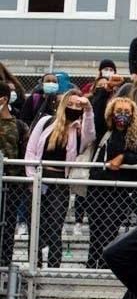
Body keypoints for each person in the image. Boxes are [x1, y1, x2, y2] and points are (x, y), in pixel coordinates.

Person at [24, 90, 95, 268]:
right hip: (39, 176)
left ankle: (54, 266)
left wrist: (87, 109)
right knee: (35, 222)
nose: (73, 108)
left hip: (60, 180)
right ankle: (35, 263)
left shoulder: (78, 129)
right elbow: (31, 150)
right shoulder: (45, 121)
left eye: (76, 105)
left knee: (56, 224)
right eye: (69, 104)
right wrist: (31, 177)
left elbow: (90, 135)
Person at [85, 96, 137, 269]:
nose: (122, 115)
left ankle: (106, 264)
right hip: (97, 187)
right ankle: (91, 264)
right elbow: (94, 114)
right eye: (119, 111)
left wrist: (124, 157)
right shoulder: (104, 130)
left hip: (120, 191)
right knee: (95, 229)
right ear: (112, 113)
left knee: (109, 229)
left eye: (127, 112)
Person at [0, 83, 29, 268]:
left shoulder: (19, 126)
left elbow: (25, 155)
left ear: (3, 99)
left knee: (7, 226)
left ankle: (3, 263)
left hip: (10, 186)